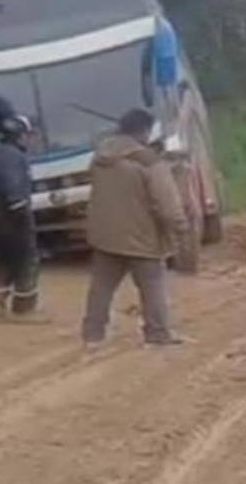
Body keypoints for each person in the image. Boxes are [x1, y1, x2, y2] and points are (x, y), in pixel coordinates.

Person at [81, 108, 189, 348]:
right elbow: (167, 204)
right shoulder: (149, 162)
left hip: (105, 235)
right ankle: (157, 332)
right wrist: (181, 227)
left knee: (101, 287)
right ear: (145, 131)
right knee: (152, 285)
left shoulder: (99, 158)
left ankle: (93, 334)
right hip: (142, 236)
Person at [0, 113, 47, 325]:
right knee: (26, 262)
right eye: (28, 135)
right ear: (20, 135)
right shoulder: (14, 157)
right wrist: (22, 216)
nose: (30, 139)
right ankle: (24, 309)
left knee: (2, 263)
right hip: (13, 219)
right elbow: (14, 190)